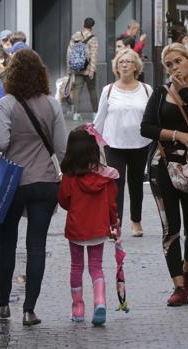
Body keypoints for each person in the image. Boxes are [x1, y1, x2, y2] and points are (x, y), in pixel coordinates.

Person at [0, 48, 67, 326]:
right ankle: (29, 310)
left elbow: (0, 144)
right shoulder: (52, 104)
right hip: (45, 182)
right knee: (36, 246)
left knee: (7, 243)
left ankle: (2, 303)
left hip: (13, 183)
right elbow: (61, 148)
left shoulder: (5, 104)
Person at [140, 43, 188, 307]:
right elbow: (146, 127)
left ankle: (187, 267)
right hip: (163, 165)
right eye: (169, 64)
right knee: (170, 227)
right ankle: (178, 286)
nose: (174, 68)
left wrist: (186, 93)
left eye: (178, 61)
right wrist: (176, 135)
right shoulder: (160, 93)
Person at [58, 124, 119, 326]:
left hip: (76, 227)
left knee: (76, 267)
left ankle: (78, 309)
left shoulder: (69, 177)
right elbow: (112, 204)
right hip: (98, 228)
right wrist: (114, 223)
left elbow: (64, 201)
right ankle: (100, 302)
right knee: (96, 267)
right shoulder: (106, 177)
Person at [94, 49, 152, 237]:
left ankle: (136, 221)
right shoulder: (108, 90)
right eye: (121, 62)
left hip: (140, 144)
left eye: (128, 61)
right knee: (115, 185)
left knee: (136, 184)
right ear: (116, 67)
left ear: (136, 66)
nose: (125, 65)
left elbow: (152, 118)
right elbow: (100, 119)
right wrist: (95, 142)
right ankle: (114, 222)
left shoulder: (146, 89)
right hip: (114, 144)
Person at [68, 17, 99, 118]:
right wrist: (92, 70)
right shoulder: (93, 38)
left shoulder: (75, 36)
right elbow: (94, 55)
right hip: (88, 69)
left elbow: (69, 53)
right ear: (92, 27)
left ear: (83, 24)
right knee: (92, 90)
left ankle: (76, 114)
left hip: (77, 68)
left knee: (77, 90)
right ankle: (95, 113)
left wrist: (69, 69)